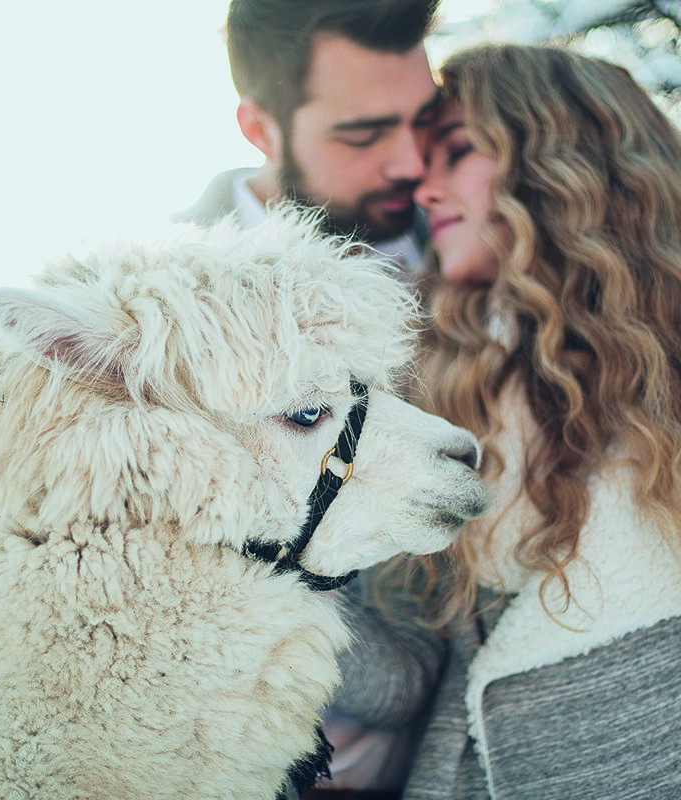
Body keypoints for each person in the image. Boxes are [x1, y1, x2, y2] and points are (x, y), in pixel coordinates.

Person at [323, 44, 681, 800]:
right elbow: (407, 666)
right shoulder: (431, 388)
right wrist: (269, 582)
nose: (423, 186)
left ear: (565, 163)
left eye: (454, 153)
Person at [173, 0, 442, 273]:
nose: (414, 165)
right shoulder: (168, 291)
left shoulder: (453, 238)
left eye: (425, 119)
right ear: (259, 130)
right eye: (364, 136)